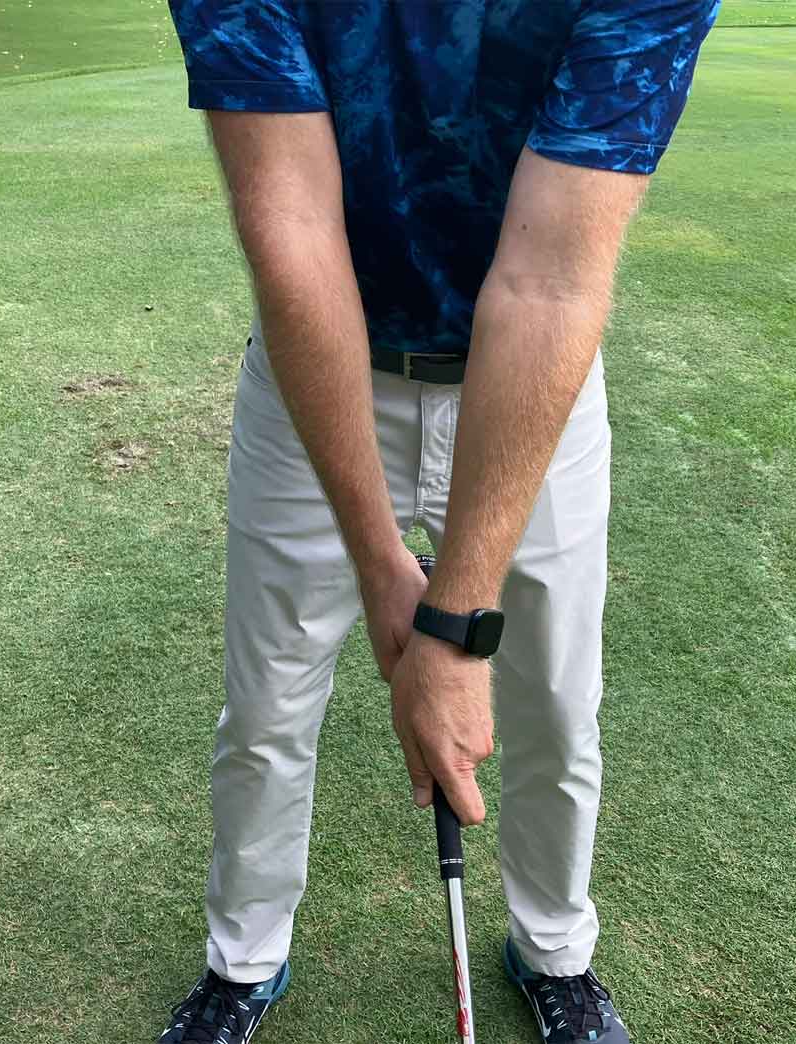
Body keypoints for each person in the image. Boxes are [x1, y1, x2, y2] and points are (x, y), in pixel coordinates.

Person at [157, 3, 718, 1043]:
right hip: (321, 366)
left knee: (554, 700)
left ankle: (554, 951)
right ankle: (243, 962)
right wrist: (383, 567)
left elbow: (550, 281)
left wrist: (455, 627)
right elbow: (294, 234)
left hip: (530, 380)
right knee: (268, 701)